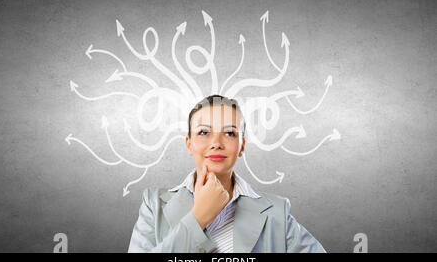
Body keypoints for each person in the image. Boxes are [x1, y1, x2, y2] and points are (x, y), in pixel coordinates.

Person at [128, 95, 326, 253]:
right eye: (204, 132)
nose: (216, 143)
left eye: (230, 133)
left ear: (241, 146)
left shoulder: (276, 211)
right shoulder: (154, 204)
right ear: (189, 144)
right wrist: (198, 217)